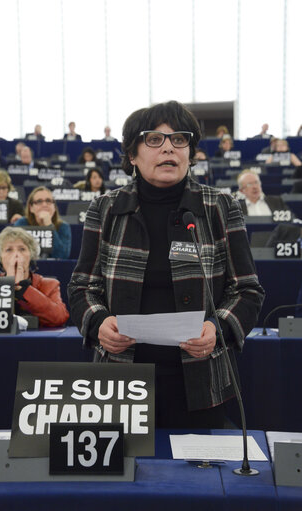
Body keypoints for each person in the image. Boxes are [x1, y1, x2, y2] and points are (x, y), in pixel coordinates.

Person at [68, 100, 264, 429]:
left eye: (179, 139)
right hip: (120, 380)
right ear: (132, 155)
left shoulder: (220, 206)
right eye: (154, 140)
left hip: (202, 380)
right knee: (121, 477)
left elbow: (246, 289)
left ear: (190, 151)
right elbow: (82, 287)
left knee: (201, 477)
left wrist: (218, 329)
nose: (168, 148)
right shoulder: (105, 208)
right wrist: (98, 321)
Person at [0, 226, 69, 327]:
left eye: (22, 249)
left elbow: (59, 318)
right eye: (9, 250)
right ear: (0, 257)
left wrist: (23, 289)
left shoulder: (49, 284)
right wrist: (8, 284)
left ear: (31, 255)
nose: (16, 255)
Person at [15, 186, 72, 259]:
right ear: (31, 208)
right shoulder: (21, 224)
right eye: (39, 201)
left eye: (48, 201)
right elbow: (16, 253)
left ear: (54, 207)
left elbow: (62, 256)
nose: (44, 205)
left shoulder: (63, 226)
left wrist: (49, 226)